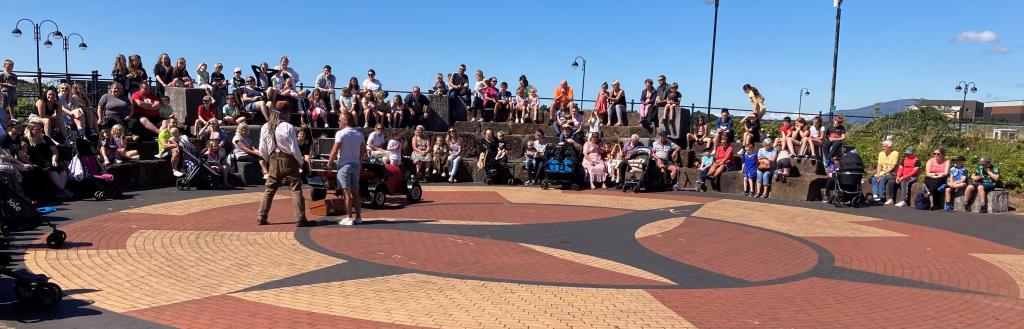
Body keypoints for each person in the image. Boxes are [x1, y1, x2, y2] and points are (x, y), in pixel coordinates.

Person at [258, 101, 315, 227]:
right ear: (285, 113)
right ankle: (301, 219)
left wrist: (270, 160)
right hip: (288, 160)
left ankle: (261, 217)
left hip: (273, 159)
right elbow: (294, 149)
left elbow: (262, 149)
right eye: (289, 113)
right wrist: (300, 162)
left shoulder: (265, 127)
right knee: (295, 189)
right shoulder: (288, 127)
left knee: (269, 189)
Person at [327, 111, 366, 225]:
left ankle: (349, 218)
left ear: (345, 121)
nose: (338, 122)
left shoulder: (340, 133)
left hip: (344, 165)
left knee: (346, 192)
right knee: (356, 192)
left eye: (340, 120)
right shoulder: (359, 134)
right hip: (355, 165)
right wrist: (360, 162)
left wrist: (329, 163)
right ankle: (358, 217)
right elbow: (362, 151)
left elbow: (334, 151)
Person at [23, 119, 72, 200]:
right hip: (36, 161)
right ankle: (63, 190)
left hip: (49, 159)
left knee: (62, 167)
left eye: (40, 129)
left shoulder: (45, 138)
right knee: (50, 169)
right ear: (30, 130)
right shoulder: (25, 140)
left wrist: (54, 160)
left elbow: (54, 151)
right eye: (37, 129)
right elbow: (24, 153)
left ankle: (61, 190)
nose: (39, 131)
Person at [870, 140, 899, 204]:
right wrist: (878, 174)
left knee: (882, 179)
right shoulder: (881, 153)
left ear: (890, 147)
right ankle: (875, 195)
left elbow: (893, 166)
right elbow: (879, 165)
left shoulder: (895, 153)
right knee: (874, 178)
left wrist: (883, 174)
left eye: (885, 146)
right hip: (883, 171)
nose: (883, 147)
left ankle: (881, 197)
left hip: (891, 171)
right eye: (883, 146)